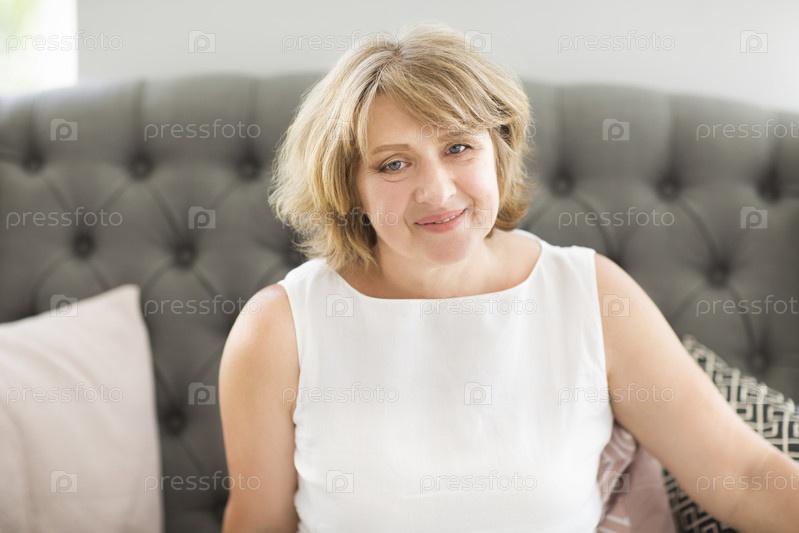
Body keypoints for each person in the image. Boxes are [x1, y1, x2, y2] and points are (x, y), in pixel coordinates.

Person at [218, 21, 799, 533]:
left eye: (458, 147)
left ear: (498, 151)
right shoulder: (279, 327)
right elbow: (259, 523)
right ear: (350, 186)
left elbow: (744, 477)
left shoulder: (592, 294)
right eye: (393, 163)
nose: (437, 191)